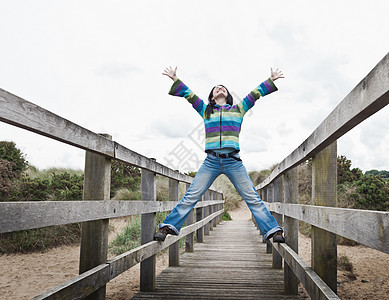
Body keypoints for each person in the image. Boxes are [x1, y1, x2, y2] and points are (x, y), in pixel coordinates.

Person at [154, 66, 285, 243]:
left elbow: (255, 94)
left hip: (234, 162)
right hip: (211, 162)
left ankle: (273, 230)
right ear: (212, 97)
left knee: (252, 197)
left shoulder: (238, 109)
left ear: (227, 95)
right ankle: (166, 227)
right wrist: (175, 79)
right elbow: (189, 95)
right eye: (216, 88)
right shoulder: (206, 110)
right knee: (192, 194)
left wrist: (270, 80)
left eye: (222, 87)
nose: (219, 88)